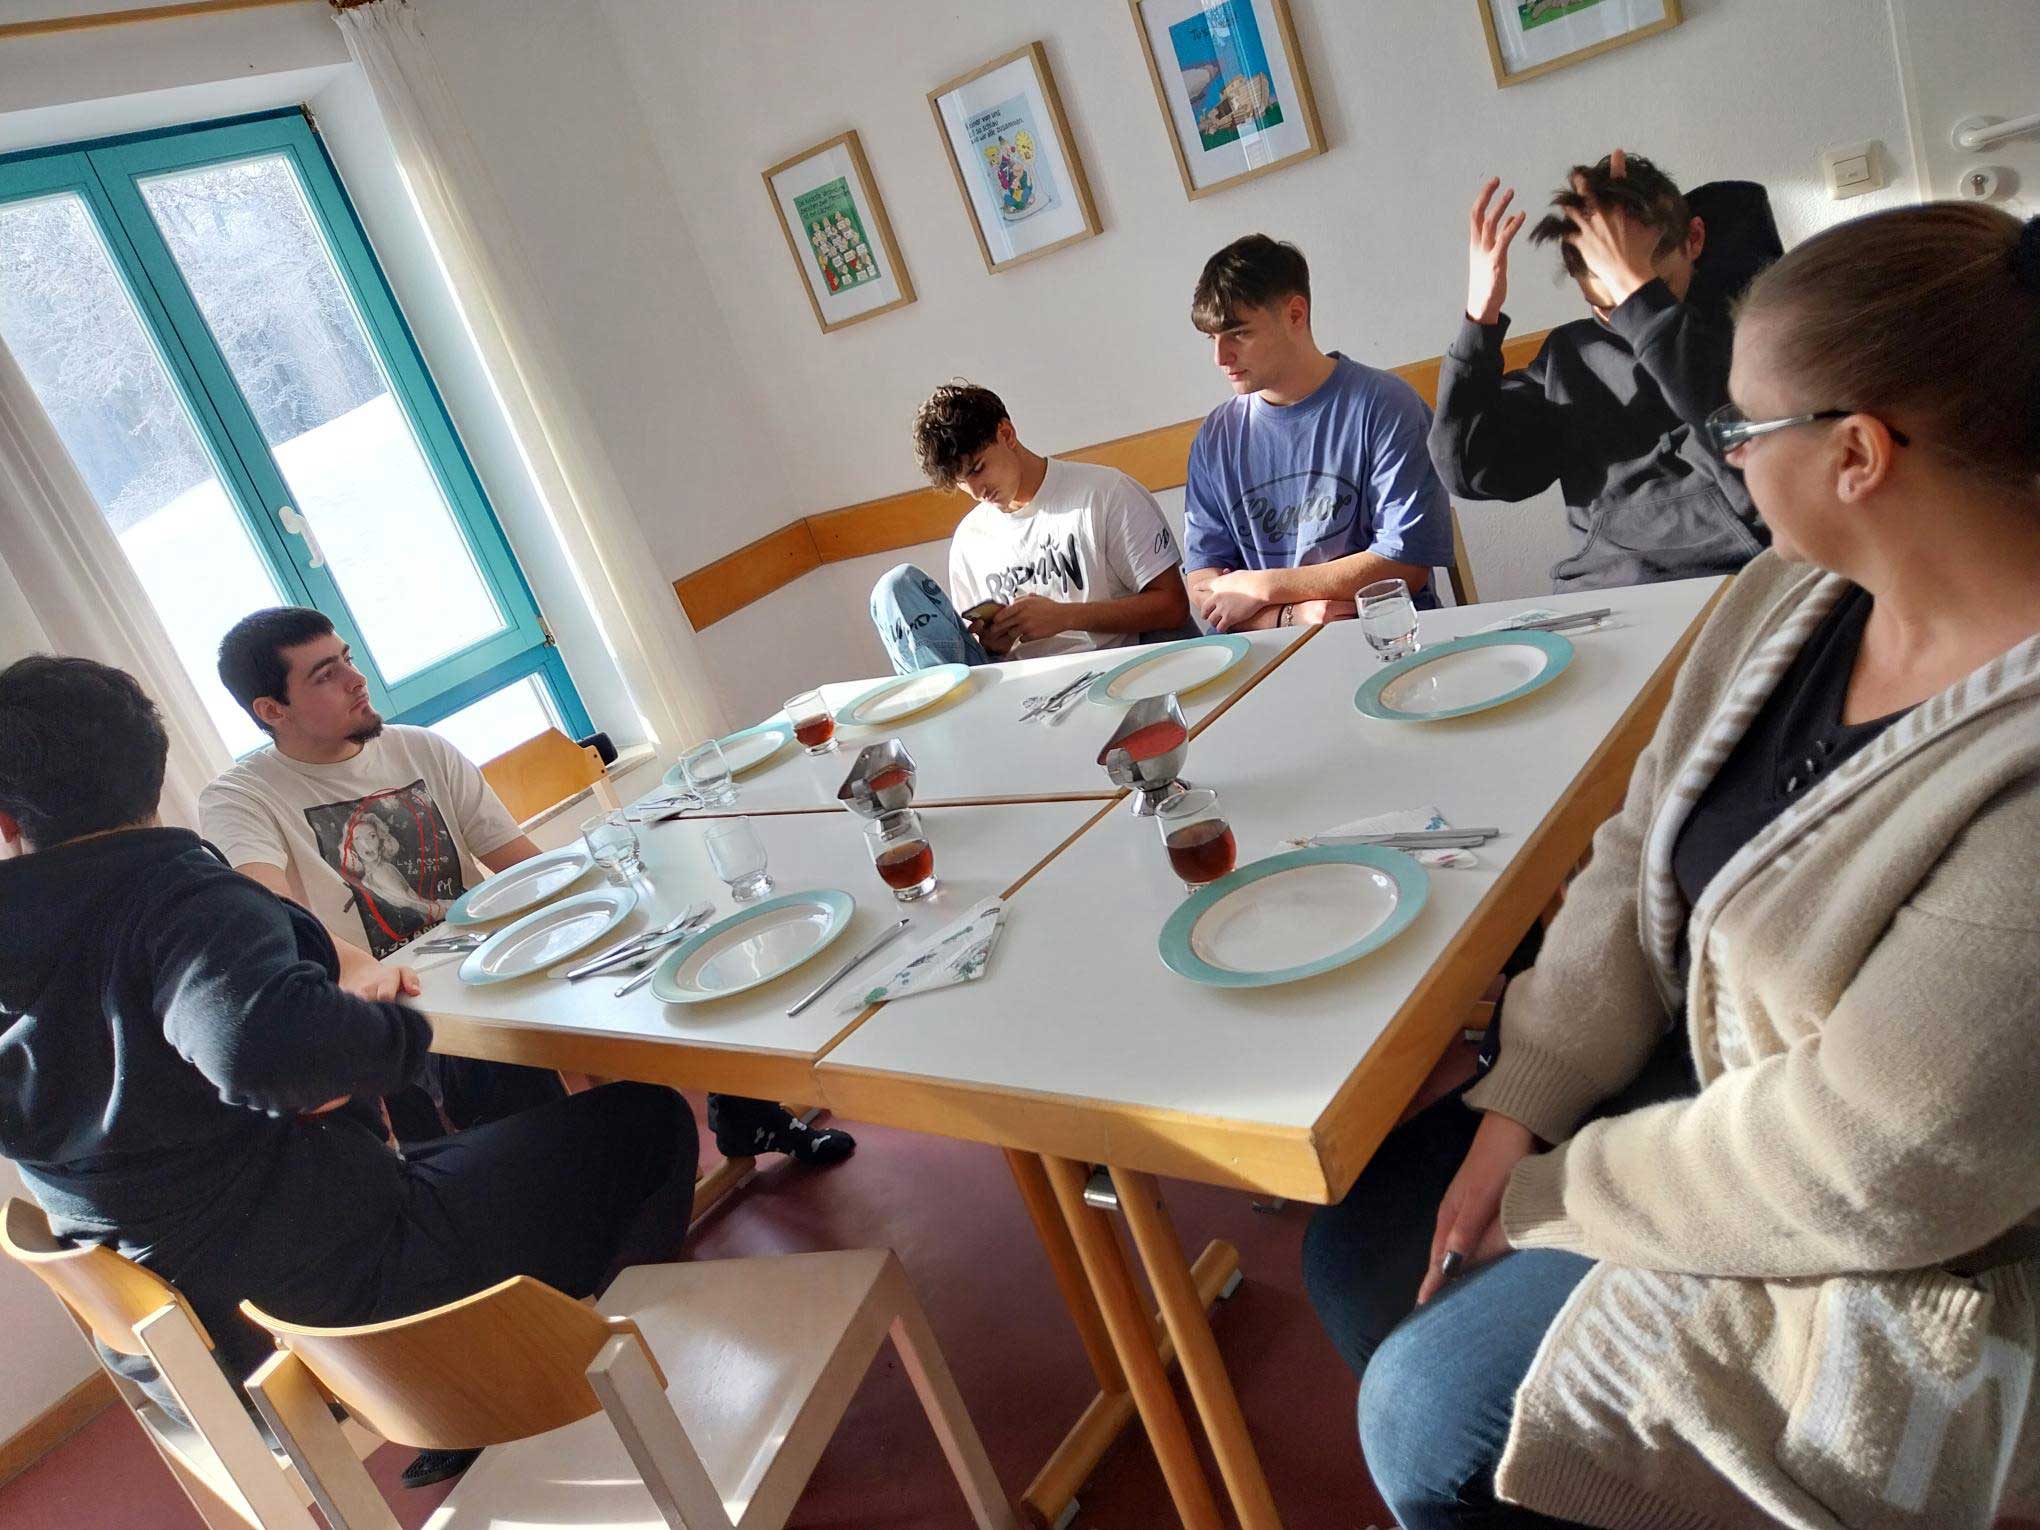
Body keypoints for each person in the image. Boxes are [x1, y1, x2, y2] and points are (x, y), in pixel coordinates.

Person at [1302, 202, 2040, 1527]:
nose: (1725, 451)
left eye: (1746, 428)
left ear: (1859, 453)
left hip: (1912, 1234)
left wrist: (1550, 1193)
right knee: (1357, 1245)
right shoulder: (1786, 595)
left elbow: (1871, 1162)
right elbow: (1640, 844)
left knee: (1426, 1417)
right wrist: (1526, 1093)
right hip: (1719, 1070)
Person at [0, 655, 699, 1474]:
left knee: (469, 1145)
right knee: (646, 1119)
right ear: (152, 768)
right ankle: (561, 1389)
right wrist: (387, 1033)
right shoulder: (176, 894)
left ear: (7, 820)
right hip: (340, 1308)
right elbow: (260, 1052)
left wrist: (288, 1078)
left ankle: (489, 1404)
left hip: (193, 1345)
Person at [200, 607, 853, 1167]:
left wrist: (619, 901)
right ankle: (579, 1204)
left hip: (494, 959)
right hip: (396, 1002)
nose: (356, 679)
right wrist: (361, 969)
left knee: (667, 924)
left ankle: (746, 1111)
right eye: (325, 674)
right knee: (491, 1083)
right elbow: (271, 909)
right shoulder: (241, 796)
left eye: (347, 658)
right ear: (272, 710)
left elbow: (519, 865)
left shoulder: (420, 748)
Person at [1430, 149, 1783, 593]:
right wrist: (1478, 324)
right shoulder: (1570, 354)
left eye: (1647, 289)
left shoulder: (1753, 334)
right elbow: (1471, 474)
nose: (1624, 317)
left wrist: (1642, 300)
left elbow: (1759, 459)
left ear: (1694, 239)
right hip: (1605, 593)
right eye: (1604, 304)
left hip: (1737, 581)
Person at [1182, 234, 1455, 634]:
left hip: (1389, 640)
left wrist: (1263, 586)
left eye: (1239, 333)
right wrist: (1290, 616)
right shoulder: (1215, 438)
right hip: (1269, 649)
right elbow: (1204, 585)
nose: (1220, 357)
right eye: (1212, 338)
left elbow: (1404, 566)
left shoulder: (1387, 405)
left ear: (1296, 314)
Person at [869, 382, 1191, 672]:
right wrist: (993, 647)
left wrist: (1066, 616)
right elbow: (985, 657)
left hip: (1119, 675)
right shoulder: (969, 539)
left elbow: (1173, 607)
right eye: (962, 482)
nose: (977, 491)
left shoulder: (1104, 494)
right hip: (1022, 695)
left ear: (1007, 434)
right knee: (896, 588)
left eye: (978, 468)